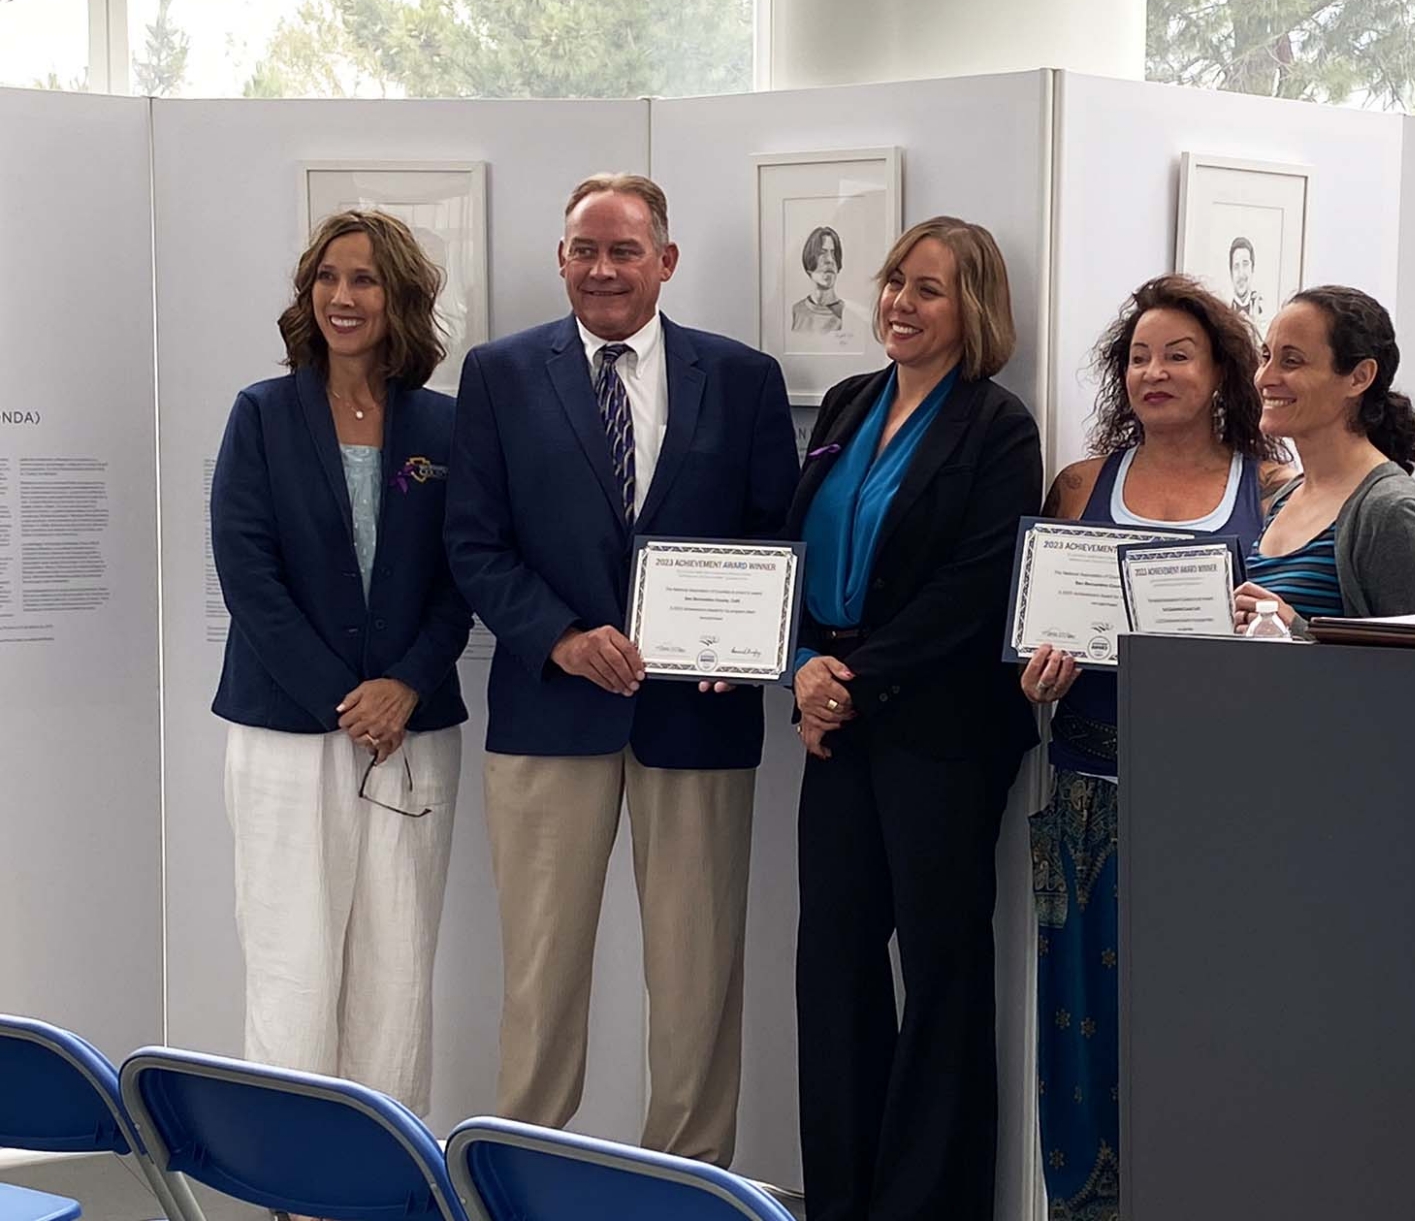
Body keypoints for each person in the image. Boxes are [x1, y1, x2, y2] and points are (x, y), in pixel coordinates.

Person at [444, 173, 797, 1164]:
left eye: (625, 250)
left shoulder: (743, 377)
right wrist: (558, 634)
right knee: (540, 977)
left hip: (700, 720)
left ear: (666, 261)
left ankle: (684, 1181)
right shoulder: (499, 374)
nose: (602, 269)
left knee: (696, 980)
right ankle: (521, 1174)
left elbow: (775, 534)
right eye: (584, 249)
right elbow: (472, 543)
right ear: (561, 258)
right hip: (549, 712)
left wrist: (750, 643)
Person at [786, 216, 1042, 1221]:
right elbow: (799, 544)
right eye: (895, 280)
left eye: (928, 288)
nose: (899, 300)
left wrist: (851, 676)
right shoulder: (849, 402)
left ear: (971, 307)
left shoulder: (998, 423)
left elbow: (978, 587)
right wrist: (807, 665)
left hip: (940, 728)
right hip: (838, 717)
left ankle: (926, 1203)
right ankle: (841, 1199)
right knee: (834, 968)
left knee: (940, 973)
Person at [1019, 274, 1290, 1221]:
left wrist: (1281, 626)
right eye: (1138, 355)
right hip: (1090, 798)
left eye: (1178, 353)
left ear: (1222, 370)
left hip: (1228, 810)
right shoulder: (1082, 485)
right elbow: (1035, 633)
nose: (1154, 371)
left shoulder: (1274, 486)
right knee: (1086, 1043)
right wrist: (1037, 675)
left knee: (1217, 1035)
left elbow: (1310, 642)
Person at [211, 208, 471, 1113]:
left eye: (363, 279)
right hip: (288, 729)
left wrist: (403, 687)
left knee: (398, 969)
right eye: (327, 277)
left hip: (413, 731)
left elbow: (463, 572)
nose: (342, 296)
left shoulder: (444, 425)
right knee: (293, 960)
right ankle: (295, 1188)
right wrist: (345, 699)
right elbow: (248, 574)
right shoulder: (262, 414)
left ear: (398, 297)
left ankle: (380, 1181)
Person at [1234, 285, 1415, 635]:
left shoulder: (1390, 510)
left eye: (1291, 361)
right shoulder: (1286, 497)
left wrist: (1297, 629)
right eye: (1265, 357)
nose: (1265, 377)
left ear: (1359, 377)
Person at [792, 224, 847, 333]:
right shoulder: (796, 311)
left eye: (833, 253)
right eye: (822, 253)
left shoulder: (846, 313)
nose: (830, 260)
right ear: (810, 260)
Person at [1227, 235, 1264, 324]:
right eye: (1236, 266)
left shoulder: (1264, 312)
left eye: (1245, 264)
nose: (1241, 274)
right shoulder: (1222, 314)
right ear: (1231, 272)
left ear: (1252, 268)